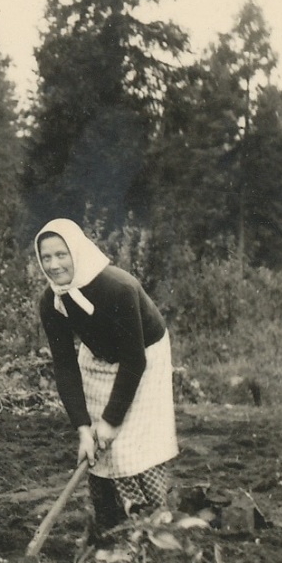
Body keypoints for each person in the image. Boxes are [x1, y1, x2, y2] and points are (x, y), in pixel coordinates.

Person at [34, 218, 178, 538]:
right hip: (96, 356)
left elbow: (133, 360)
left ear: (77, 251)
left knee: (134, 444)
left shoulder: (118, 288)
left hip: (144, 356)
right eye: (46, 257)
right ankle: (109, 524)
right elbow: (65, 367)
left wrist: (111, 420)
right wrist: (84, 428)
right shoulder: (51, 301)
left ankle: (158, 518)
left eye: (61, 254)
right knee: (98, 449)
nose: (54, 265)